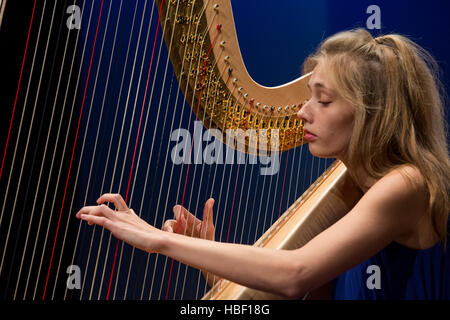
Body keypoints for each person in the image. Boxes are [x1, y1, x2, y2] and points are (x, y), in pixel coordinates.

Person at [76, 29, 450, 299]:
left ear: (373, 113)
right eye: (308, 98)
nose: (302, 112)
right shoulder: (354, 185)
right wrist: (211, 265)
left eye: (323, 100)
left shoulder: (406, 184)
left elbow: (294, 274)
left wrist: (156, 240)